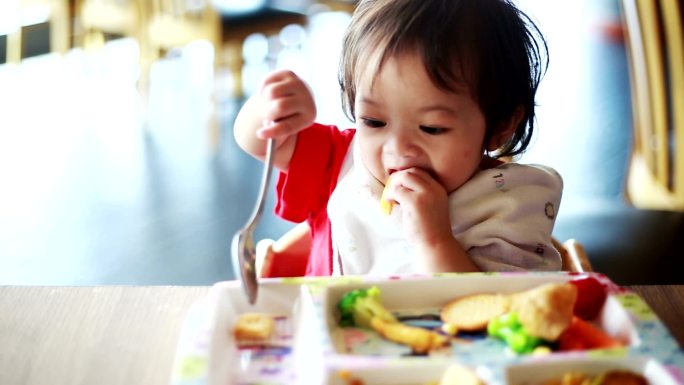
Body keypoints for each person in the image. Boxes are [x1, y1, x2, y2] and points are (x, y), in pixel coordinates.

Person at [233, 0, 562, 277]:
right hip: (328, 347)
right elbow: (258, 142)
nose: (398, 149)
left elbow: (496, 315)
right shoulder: (342, 161)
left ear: (502, 124)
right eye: (374, 121)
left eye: (432, 127)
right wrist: (270, 109)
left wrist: (434, 241)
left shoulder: (510, 206)